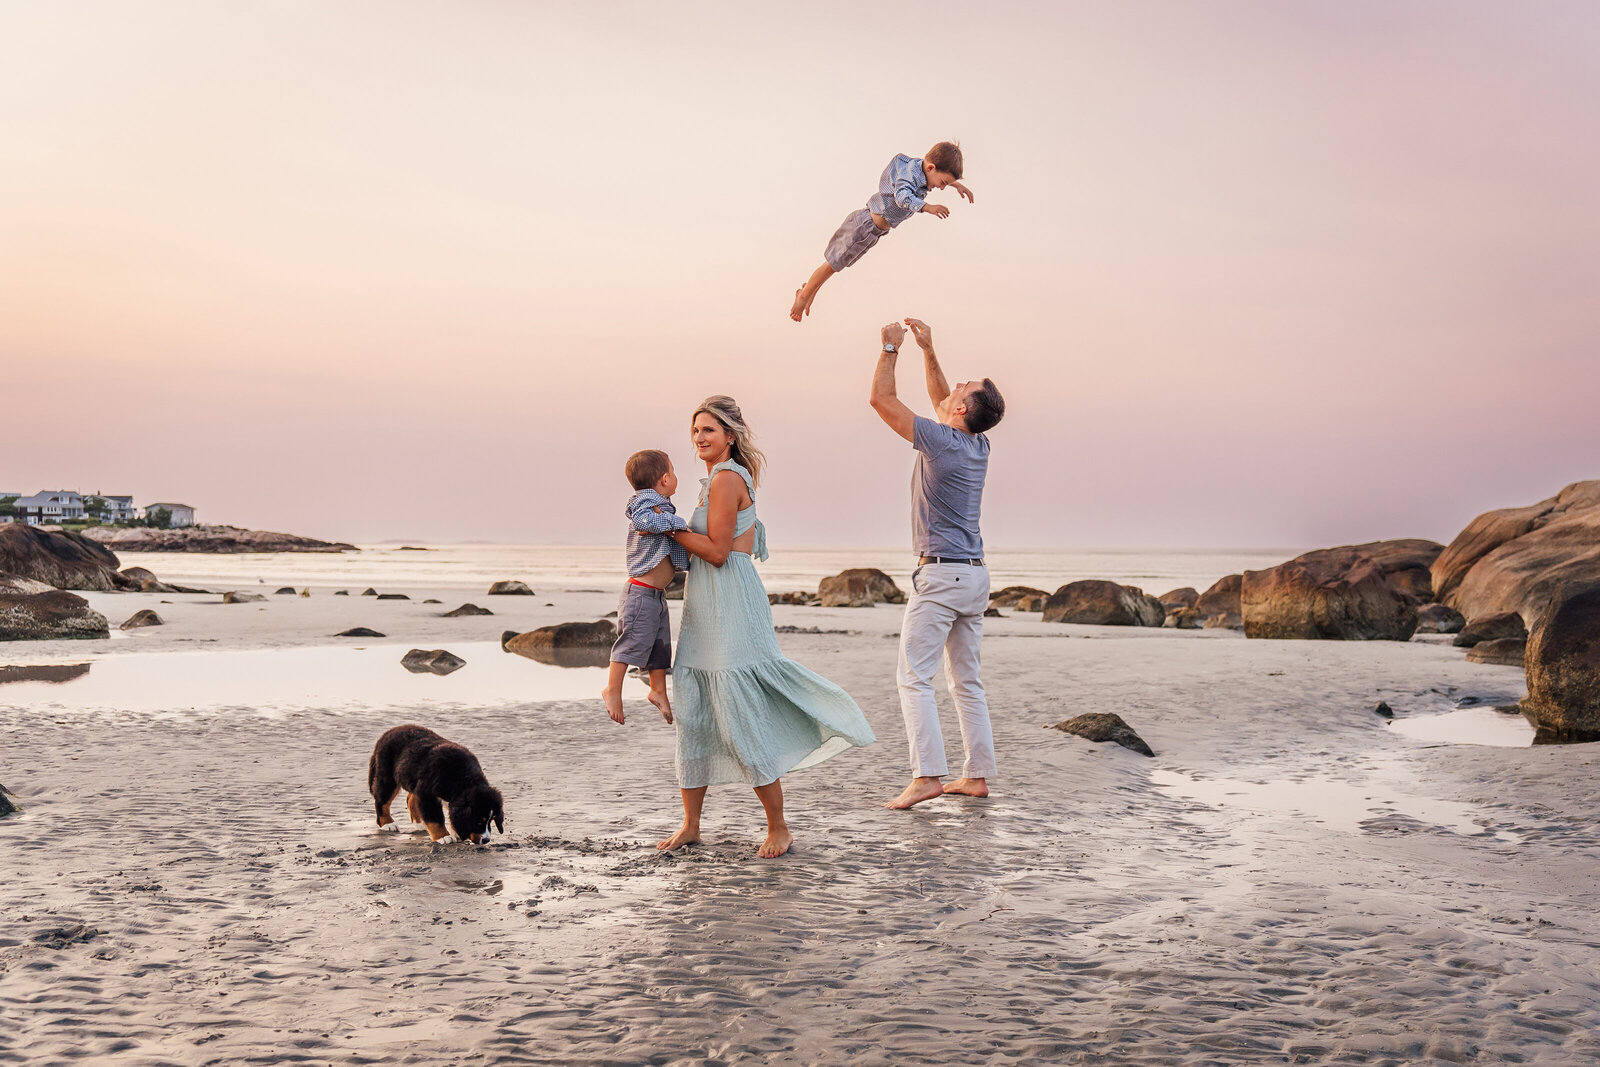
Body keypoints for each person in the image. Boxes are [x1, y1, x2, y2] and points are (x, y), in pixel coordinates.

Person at [662, 395, 876, 857]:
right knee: (696, 710)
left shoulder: (726, 478)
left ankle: (778, 826)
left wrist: (666, 527)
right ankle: (691, 823)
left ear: (730, 437)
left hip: (730, 601)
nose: (699, 438)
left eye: (708, 431)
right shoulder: (715, 480)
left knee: (740, 710)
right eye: (695, 431)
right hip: (707, 602)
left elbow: (718, 551)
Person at [868, 318, 1006, 810]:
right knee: (966, 681)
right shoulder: (977, 444)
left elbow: (882, 402)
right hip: (974, 575)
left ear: (963, 408)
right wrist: (929, 351)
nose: (954, 390)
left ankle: (928, 776)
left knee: (913, 678)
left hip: (943, 575)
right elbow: (943, 402)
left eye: (963, 389)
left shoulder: (945, 441)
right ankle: (977, 776)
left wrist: (891, 347)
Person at [789, 142, 973, 322]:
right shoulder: (909, 177)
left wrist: (956, 185)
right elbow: (902, 197)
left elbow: (933, 173)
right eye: (943, 183)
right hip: (864, 226)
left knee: (837, 265)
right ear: (931, 167)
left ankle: (808, 291)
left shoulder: (922, 170)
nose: (941, 187)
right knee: (832, 263)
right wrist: (926, 207)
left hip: (874, 231)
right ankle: (803, 296)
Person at [602, 449, 690, 726]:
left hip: (655, 595)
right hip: (640, 593)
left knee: (659, 647)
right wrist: (678, 524)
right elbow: (642, 521)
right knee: (631, 643)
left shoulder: (659, 505)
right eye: (673, 471)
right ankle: (612, 689)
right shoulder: (647, 502)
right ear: (665, 479)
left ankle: (658, 690)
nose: (676, 477)